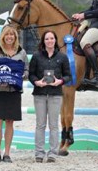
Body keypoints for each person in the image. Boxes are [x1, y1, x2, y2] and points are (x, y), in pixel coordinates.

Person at [28, 30, 71, 163]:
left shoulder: (62, 57)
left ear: (55, 40)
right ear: (43, 41)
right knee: (40, 125)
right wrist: (36, 82)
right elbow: (31, 74)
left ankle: (52, 153)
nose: (49, 41)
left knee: (53, 125)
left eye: (52, 38)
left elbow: (68, 75)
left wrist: (60, 81)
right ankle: (39, 153)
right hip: (39, 94)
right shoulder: (36, 56)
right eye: (47, 39)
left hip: (55, 95)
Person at [0, 24, 29, 163]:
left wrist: (22, 76)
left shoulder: (21, 52)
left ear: (15, 36)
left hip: (14, 91)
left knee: (10, 122)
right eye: (7, 34)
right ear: (3, 37)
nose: (9, 37)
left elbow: (27, 71)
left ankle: (7, 153)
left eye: (12, 34)